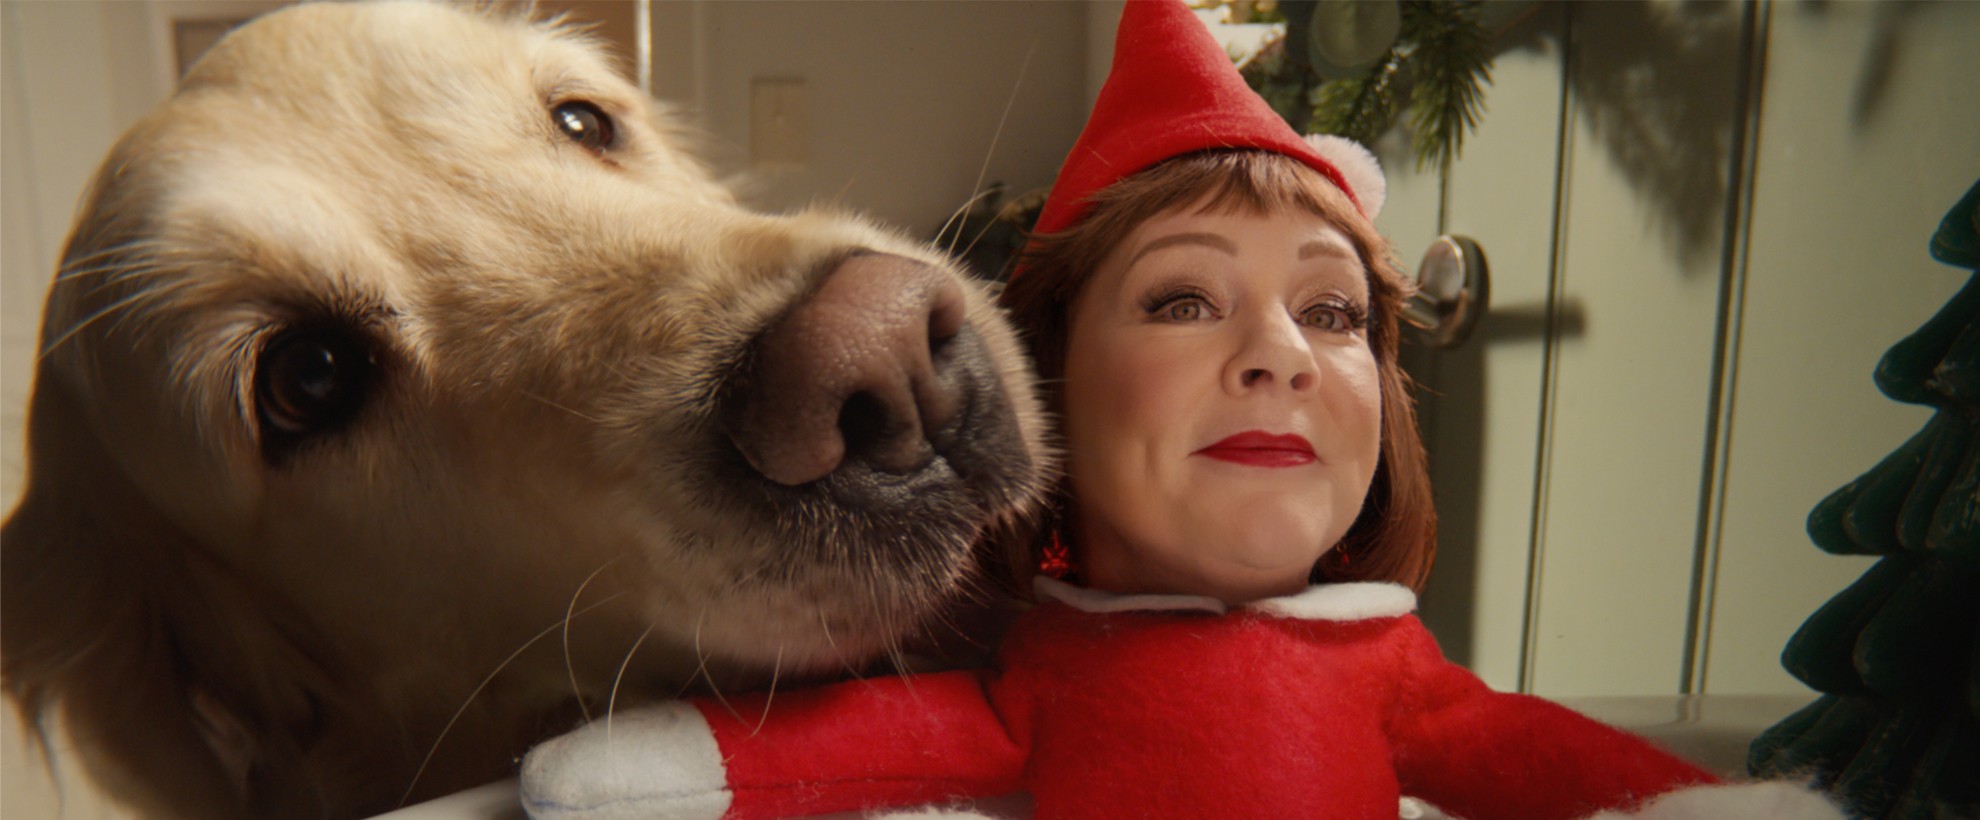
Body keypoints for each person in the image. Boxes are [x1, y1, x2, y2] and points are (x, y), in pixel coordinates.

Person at [518, 2, 1843, 818]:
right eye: (1182, 304)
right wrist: (656, 777)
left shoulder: (1394, 679)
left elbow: (1529, 756)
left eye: (1334, 316)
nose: (1281, 358)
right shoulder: (1041, 680)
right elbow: (854, 755)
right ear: (1041, 392)